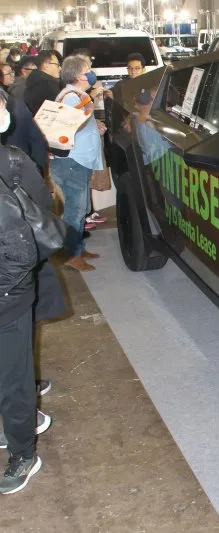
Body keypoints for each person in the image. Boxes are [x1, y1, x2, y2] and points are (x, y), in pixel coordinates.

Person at [0, 86, 54, 495]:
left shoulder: (14, 163)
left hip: (9, 292)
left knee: (14, 377)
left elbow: (41, 219)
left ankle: (22, 451)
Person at [49, 56, 105, 272]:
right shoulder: (72, 97)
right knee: (75, 208)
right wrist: (89, 113)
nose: (91, 73)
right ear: (79, 76)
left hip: (78, 160)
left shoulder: (76, 95)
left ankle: (78, 248)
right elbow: (68, 127)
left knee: (80, 208)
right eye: (88, 70)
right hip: (73, 160)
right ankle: (71, 254)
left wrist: (95, 124)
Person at [24, 50, 61, 115]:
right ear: (45, 65)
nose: (60, 68)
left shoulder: (32, 80)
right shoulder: (49, 84)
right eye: (57, 64)